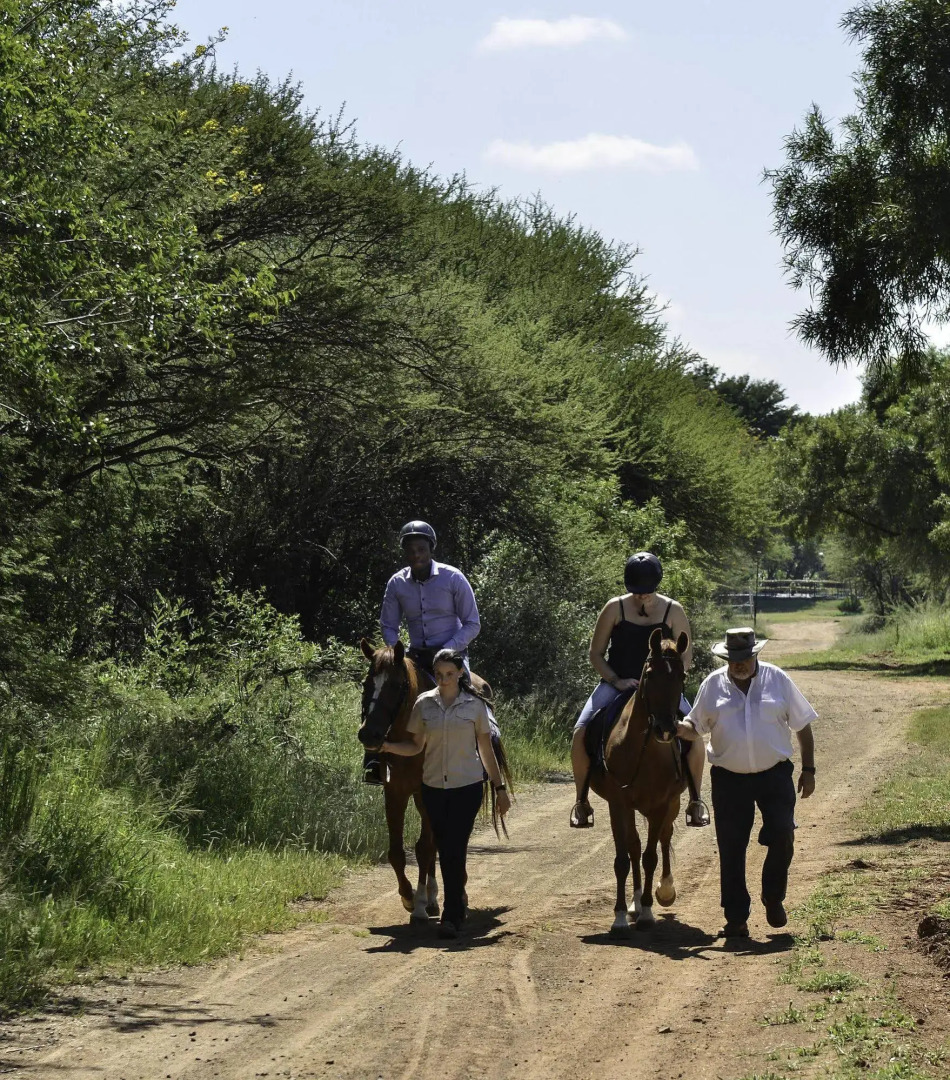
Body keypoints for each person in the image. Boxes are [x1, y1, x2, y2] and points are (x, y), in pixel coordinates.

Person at [677, 626, 817, 938]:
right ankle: (736, 918)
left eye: (745, 657)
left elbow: (803, 725)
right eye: (733, 658)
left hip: (775, 774)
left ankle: (773, 896)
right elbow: (695, 726)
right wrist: (676, 729)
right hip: (729, 779)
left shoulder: (777, 679)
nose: (739, 664)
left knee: (782, 833)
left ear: (755, 655)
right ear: (725, 658)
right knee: (731, 846)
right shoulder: (713, 685)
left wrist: (808, 769)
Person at [570, 551, 709, 829]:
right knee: (580, 731)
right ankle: (581, 800)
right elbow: (595, 654)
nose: (642, 597)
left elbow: (686, 656)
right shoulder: (614, 608)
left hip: (661, 687)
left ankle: (695, 798)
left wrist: (668, 683)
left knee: (694, 734)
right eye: (637, 592)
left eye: (647, 592)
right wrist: (616, 680)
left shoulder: (673, 610)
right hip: (618, 683)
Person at [382, 648, 511, 939]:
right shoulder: (423, 704)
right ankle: (456, 902)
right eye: (439, 675)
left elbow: (485, 749)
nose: (443, 679)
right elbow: (415, 746)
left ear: (461, 673)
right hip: (433, 789)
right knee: (442, 847)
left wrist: (499, 787)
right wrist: (388, 748)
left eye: (449, 674)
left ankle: (451, 916)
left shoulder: (475, 706)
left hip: (467, 787)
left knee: (455, 848)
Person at [364, 520, 481, 783]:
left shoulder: (453, 577)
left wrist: (446, 650)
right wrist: (396, 655)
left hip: (451, 654)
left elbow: (473, 623)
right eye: (410, 549)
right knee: (379, 695)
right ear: (405, 552)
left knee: (472, 698)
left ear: (430, 548)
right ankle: (373, 761)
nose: (416, 554)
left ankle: (485, 752)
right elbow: (388, 624)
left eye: (421, 548)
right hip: (414, 655)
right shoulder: (397, 583)